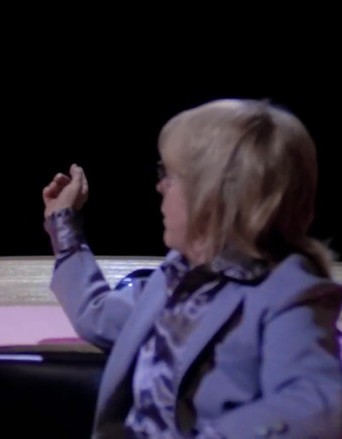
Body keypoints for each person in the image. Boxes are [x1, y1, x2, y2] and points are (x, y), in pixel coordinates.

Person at [42, 98, 342, 438]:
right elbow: (97, 316)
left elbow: (318, 408)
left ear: (212, 195)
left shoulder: (288, 294)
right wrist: (62, 222)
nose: (159, 187)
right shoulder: (179, 275)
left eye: (169, 176)